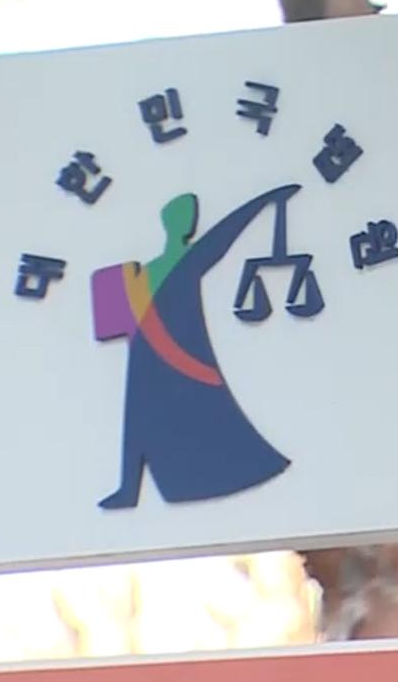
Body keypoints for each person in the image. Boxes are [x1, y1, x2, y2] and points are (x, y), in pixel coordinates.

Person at [92, 186, 300, 510]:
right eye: (180, 215)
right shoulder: (145, 272)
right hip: (150, 355)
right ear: (169, 222)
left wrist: (261, 204)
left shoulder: (184, 260)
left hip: (182, 356)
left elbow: (223, 236)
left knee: (196, 420)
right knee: (138, 423)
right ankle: (129, 489)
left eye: (188, 214)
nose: (186, 220)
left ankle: (142, 487)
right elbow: (113, 315)